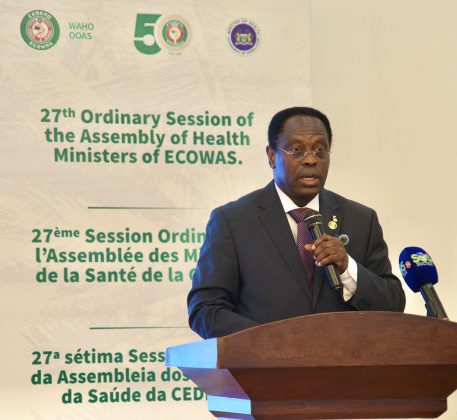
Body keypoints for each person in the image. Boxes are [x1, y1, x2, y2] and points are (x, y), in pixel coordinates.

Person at [188, 107, 405, 339]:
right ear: (272, 156)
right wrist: (269, 341)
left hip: (346, 361)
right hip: (266, 360)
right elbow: (206, 310)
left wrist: (347, 268)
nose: (311, 160)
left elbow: (392, 305)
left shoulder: (361, 220)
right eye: (297, 150)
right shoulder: (233, 221)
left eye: (320, 150)